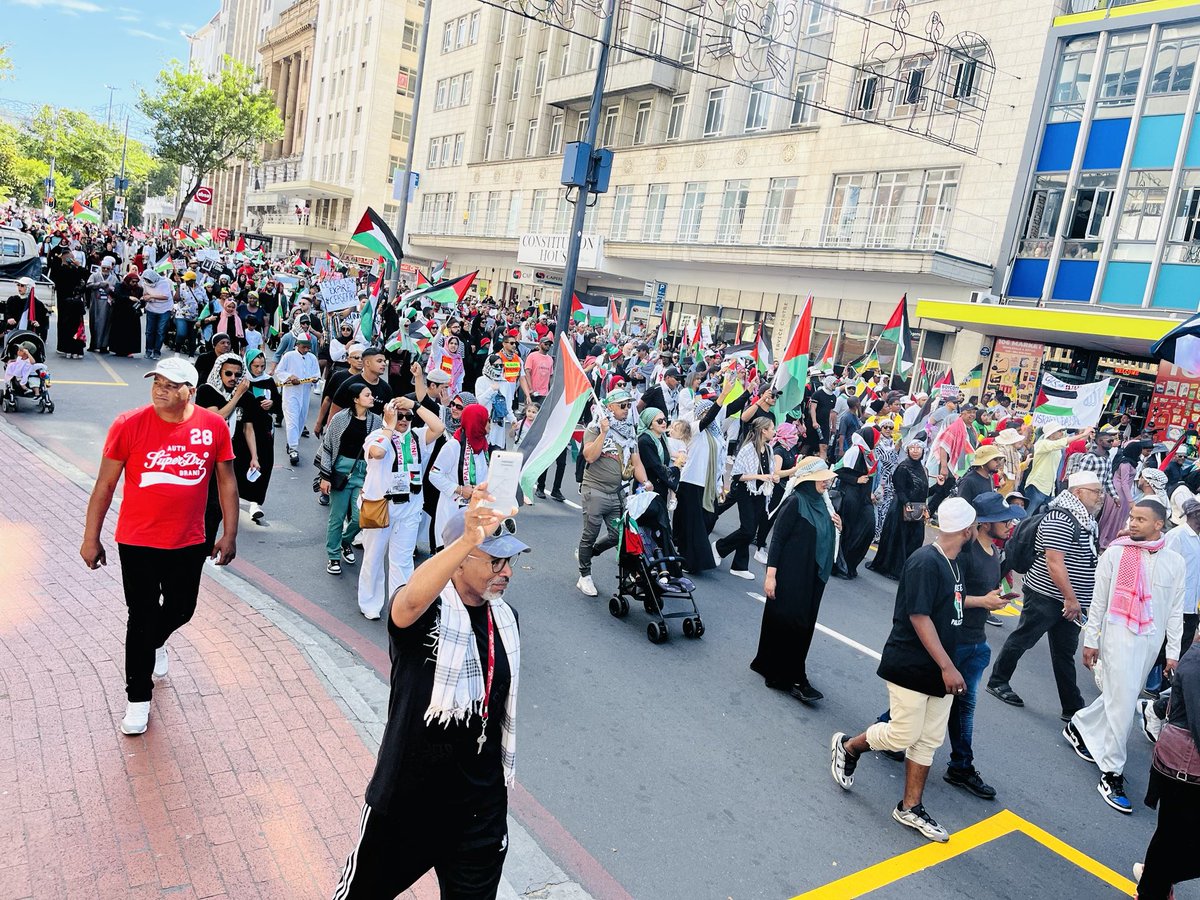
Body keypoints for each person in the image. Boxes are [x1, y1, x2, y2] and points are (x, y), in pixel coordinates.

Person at [332, 496, 525, 899]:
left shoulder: (506, 620)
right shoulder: (426, 615)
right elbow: (408, 602)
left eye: (510, 562)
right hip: (408, 800)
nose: (506, 572)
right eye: (495, 561)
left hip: (479, 809)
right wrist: (466, 537)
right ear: (458, 560)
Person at [79, 358, 238, 736]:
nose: (161, 389)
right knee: (141, 615)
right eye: (157, 382)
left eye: (172, 384)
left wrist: (230, 533)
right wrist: (91, 537)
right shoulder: (128, 424)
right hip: (137, 540)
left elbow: (227, 483)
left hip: (188, 540)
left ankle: (156, 641)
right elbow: (104, 486)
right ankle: (138, 697)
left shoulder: (213, 426)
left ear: (191, 391)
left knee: (182, 609)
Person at [830, 498, 977, 844]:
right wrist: (948, 667)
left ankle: (910, 807)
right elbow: (919, 616)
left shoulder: (955, 562)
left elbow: (950, 604)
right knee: (902, 735)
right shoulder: (926, 562)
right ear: (966, 530)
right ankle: (849, 747)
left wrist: (983, 603)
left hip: (942, 667)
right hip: (912, 663)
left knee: (928, 740)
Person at [1066, 499, 1184, 814]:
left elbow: (1175, 611)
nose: (1132, 523)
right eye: (1131, 517)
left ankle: (1079, 725)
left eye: (1141, 519)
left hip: (1149, 643)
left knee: (1121, 696)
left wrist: (1172, 652)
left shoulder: (1175, 562)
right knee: (1124, 704)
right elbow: (1099, 601)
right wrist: (1090, 641)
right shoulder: (1116, 554)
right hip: (1117, 637)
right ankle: (1112, 772)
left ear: (1159, 524)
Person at [987, 471, 1103, 717]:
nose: (1100, 496)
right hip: (1047, 595)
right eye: (1096, 491)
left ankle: (1072, 707)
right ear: (1079, 493)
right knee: (1023, 638)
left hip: (1071, 601)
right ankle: (997, 681)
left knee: (1064, 653)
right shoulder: (1062, 518)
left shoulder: (1086, 519)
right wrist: (1071, 599)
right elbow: (1054, 563)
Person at [945, 492, 1024, 801]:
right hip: (954, 642)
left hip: (977, 643)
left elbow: (986, 593)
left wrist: (999, 598)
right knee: (928, 699)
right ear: (985, 524)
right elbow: (947, 596)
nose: (1010, 525)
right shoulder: (964, 554)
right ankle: (883, 737)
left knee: (962, 706)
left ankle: (961, 766)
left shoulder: (994, 554)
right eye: (1004, 520)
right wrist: (983, 601)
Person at [752, 457, 840, 703]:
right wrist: (771, 576)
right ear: (809, 479)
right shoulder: (795, 501)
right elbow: (777, 540)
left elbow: (826, 535)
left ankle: (775, 667)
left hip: (812, 575)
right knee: (790, 622)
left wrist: (837, 526)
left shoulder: (823, 504)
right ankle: (791, 677)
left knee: (802, 622)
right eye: (822, 478)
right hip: (791, 574)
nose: (826, 482)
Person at [358, 396, 446, 620]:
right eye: (399, 416)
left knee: (403, 561)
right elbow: (377, 453)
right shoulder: (377, 436)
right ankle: (370, 603)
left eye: (407, 417)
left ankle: (399, 606)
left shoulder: (417, 437)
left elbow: (438, 426)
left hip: (410, 507)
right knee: (374, 557)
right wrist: (389, 425)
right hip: (381, 507)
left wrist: (414, 406)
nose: (404, 420)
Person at [1133, 633, 1200, 899]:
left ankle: (1154, 882)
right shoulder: (1196, 663)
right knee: (1170, 837)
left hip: (1186, 769)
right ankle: (1154, 883)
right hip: (1182, 770)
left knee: (1169, 839)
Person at [576, 389, 653, 597]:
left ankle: (588, 553)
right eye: (622, 405)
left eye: (629, 405)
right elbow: (589, 456)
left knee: (617, 535)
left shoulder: (629, 432)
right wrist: (603, 432)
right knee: (590, 533)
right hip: (595, 490)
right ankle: (585, 575)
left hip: (617, 493)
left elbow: (636, 462)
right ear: (609, 407)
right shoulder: (594, 427)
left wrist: (645, 482)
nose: (627, 410)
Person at [320, 384, 381, 575]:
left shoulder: (376, 421)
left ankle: (345, 541)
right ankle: (333, 556)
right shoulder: (339, 419)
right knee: (337, 517)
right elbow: (328, 447)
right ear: (356, 399)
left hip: (364, 472)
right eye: (367, 395)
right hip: (341, 471)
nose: (372, 398)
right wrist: (325, 476)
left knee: (360, 517)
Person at [195, 353, 250, 549]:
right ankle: (197, 544)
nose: (232, 378)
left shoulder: (242, 395)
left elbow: (249, 425)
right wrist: (237, 396)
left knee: (219, 507)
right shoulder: (206, 391)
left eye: (237, 374)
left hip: (229, 459)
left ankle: (207, 545)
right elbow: (217, 418)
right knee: (205, 505)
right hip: (206, 458)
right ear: (219, 372)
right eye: (228, 373)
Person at [714, 417, 776, 579]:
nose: (773, 431)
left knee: (750, 530)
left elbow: (769, 471)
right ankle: (719, 547)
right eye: (771, 428)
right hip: (746, 490)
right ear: (763, 430)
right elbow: (737, 475)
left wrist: (770, 477)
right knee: (747, 529)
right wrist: (760, 477)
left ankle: (740, 565)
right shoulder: (748, 448)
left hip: (761, 492)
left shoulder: (769, 449)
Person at [429, 403, 491, 552]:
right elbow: (434, 474)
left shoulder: (483, 446)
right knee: (451, 557)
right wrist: (459, 489)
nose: (490, 424)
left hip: (474, 511)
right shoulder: (453, 446)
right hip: (452, 509)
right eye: (487, 420)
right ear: (477, 422)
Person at [869, 439, 930, 580]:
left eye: (918, 448)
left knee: (915, 539)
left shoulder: (923, 469)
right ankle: (895, 568)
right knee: (900, 539)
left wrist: (940, 488)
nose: (915, 450)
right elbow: (899, 489)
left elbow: (924, 491)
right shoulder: (903, 467)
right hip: (902, 508)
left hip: (917, 508)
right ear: (907, 450)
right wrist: (907, 504)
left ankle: (909, 569)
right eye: (912, 448)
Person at [235, 349, 281, 524]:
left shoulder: (268, 381)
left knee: (263, 466)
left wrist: (273, 403)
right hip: (242, 431)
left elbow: (279, 404)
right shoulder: (241, 381)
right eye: (256, 366)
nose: (259, 370)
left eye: (262, 366)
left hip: (263, 431)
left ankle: (255, 503)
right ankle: (234, 498)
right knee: (240, 466)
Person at [636, 407, 683, 555]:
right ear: (650, 423)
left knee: (657, 527)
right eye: (660, 421)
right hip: (647, 488)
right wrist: (676, 468)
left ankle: (660, 558)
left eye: (665, 420)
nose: (664, 423)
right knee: (650, 526)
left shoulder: (660, 438)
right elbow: (656, 466)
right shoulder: (644, 440)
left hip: (659, 488)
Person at [834, 426, 878, 580]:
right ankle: (840, 565)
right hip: (851, 497)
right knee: (848, 530)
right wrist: (856, 480)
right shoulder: (855, 451)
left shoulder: (869, 453)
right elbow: (837, 471)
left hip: (864, 499)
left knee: (868, 529)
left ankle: (851, 564)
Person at [275, 331, 321, 465]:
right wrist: (290, 376)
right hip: (291, 393)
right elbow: (279, 371)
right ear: (298, 344)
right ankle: (294, 449)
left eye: (308, 347)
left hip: (305, 393)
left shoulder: (312, 358)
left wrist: (314, 379)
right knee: (292, 420)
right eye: (304, 347)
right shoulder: (289, 356)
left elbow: (316, 373)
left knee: (301, 419)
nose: (306, 350)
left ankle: (292, 442)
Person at [1026, 424, 1091, 514]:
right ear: (1051, 434)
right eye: (1059, 431)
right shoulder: (1042, 443)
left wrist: (1087, 435)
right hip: (1037, 485)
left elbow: (1074, 444)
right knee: (1027, 516)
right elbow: (1062, 443)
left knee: (1039, 518)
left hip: (1049, 488)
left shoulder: (1056, 447)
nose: (1062, 433)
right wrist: (1083, 434)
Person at [1099, 438, 1151, 548]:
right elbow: (1124, 483)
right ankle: (1106, 540)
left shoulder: (1130, 461)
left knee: (1116, 517)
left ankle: (1110, 539)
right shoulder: (1126, 464)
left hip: (1121, 492)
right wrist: (1130, 501)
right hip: (1119, 493)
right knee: (1114, 518)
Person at [873, 418, 900, 541]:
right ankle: (875, 533)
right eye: (886, 427)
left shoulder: (892, 443)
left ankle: (881, 533)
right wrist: (894, 451)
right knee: (878, 507)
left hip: (890, 480)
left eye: (891, 428)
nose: (888, 430)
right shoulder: (878, 443)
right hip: (880, 480)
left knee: (886, 508)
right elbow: (883, 460)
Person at [85, 256, 118, 353]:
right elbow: (88, 285)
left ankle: (104, 345)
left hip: (107, 305)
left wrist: (109, 289)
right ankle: (93, 344)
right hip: (96, 303)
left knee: (106, 325)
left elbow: (117, 291)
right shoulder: (95, 276)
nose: (106, 270)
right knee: (94, 323)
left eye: (108, 268)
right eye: (104, 268)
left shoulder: (114, 278)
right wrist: (99, 284)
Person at [108, 271, 143, 358]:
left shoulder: (139, 289)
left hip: (132, 314)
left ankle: (129, 350)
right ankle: (118, 350)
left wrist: (141, 301)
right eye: (132, 281)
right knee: (119, 332)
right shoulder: (120, 286)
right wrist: (128, 298)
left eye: (136, 282)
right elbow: (117, 296)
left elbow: (140, 300)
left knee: (130, 333)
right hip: (120, 313)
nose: (134, 284)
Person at [140, 269, 174, 360]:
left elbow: (165, 296)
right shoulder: (145, 283)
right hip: (151, 308)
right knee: (149, 331)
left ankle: (156, 351)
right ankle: (148, 350)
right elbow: (144, 294)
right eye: (146, 280)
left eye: (149, 280)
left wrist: (152, 296)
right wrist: (146, 297)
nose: (148, 282)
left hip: (164, 309)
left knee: (160, 331)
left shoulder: (164, 282)